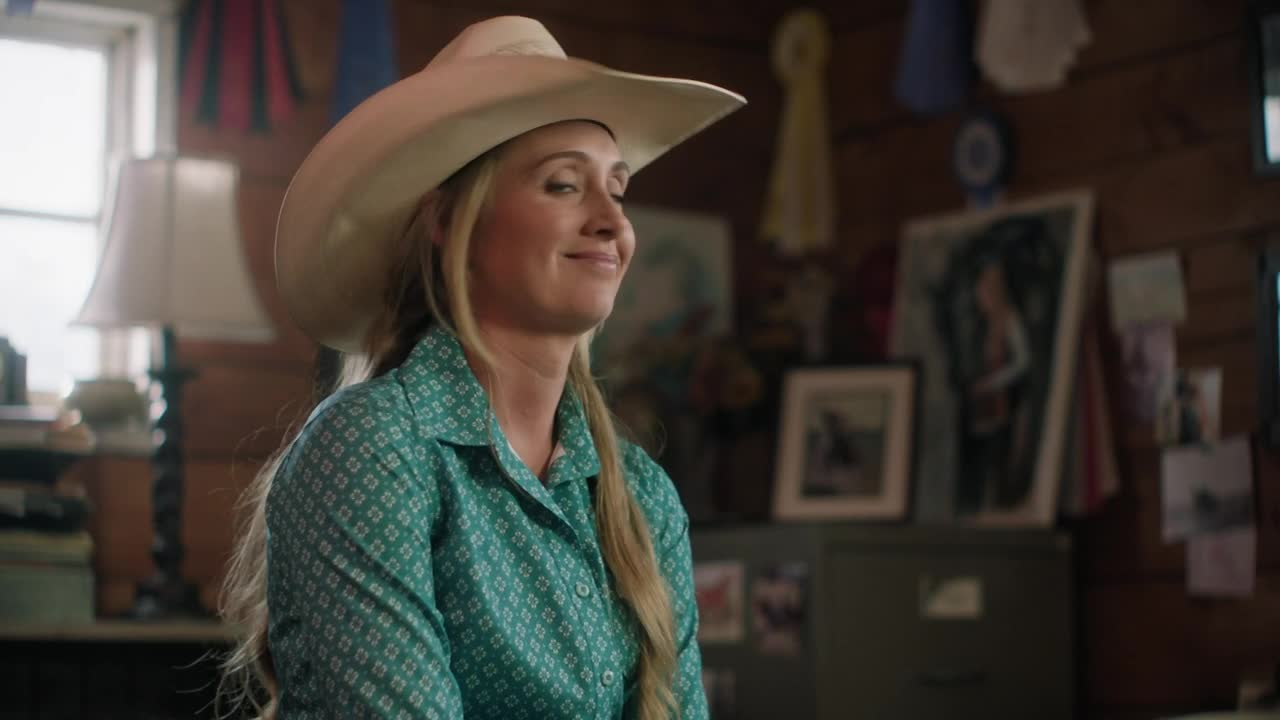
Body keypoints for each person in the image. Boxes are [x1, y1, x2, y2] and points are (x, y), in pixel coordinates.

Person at [217, 16, 745, 720]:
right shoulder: (374, 450)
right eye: (563, 185)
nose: (611, 222)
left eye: (616, 190)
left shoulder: (643, 498)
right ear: (448, 223)